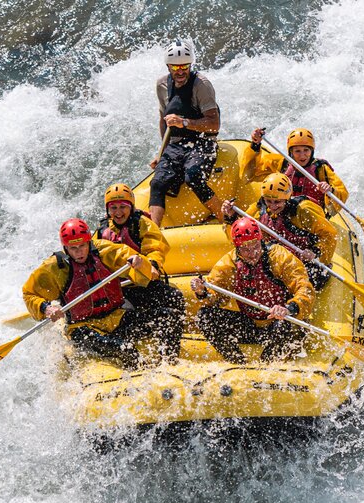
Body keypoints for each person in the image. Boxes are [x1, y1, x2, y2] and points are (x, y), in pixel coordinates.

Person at [23, 218, 183, 369]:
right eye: (74, 248)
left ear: (89, 242)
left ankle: (169, 364)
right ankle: (141, 375)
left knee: (168, 317)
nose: (79, 252)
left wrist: (139, 262)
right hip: (83, 329)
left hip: (117, 317)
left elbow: (133, 262)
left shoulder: (104, 251)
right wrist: (46, 308)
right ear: (65, 247)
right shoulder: (54, 268)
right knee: (123, 348)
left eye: (83, 246)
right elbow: (29, 293)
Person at [189, 217, 314, 364]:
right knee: (204, 316)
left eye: (255, 245)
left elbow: (305, 288)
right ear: (237, 248)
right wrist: (202, 291)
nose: (252, 253)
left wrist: (289, 308)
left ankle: (265, 367)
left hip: (280, 322)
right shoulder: (229, 263)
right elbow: (216, 298)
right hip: (251, 325)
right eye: (245, 249)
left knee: (284, 324)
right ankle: (238, 363)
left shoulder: (279, 256)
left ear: (261, 240)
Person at [148, 38, 224, 226]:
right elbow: (163, 120)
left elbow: (214, 124)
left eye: (185, 66)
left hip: (203, 140)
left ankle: (227, 218)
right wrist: (162, 153)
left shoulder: (202, 85)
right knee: (157, 183)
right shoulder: (162, 85)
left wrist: (184, 122)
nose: (180, 71)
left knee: (194, 176)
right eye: (175, 67)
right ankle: (152, 234)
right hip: (177, 144)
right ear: (168, 66)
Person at [222, 173, 337, 290]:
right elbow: (240, 237)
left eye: (277, 202)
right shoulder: (257, 211)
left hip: (306, 262)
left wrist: (316, 252)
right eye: (268, 201)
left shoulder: (304, 211)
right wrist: (230, 217)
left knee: (313, 279)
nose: (272, 206)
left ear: (287, 198)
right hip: (278, 263)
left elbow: (329, 235)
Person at [95, 183, 186, 315]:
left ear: (131, 207)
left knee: (174, 298)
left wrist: (152, 264)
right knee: (127, 314)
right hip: (120, 287)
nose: (118, 212)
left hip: (144, 281)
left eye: (123, 207)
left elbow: (155, 247)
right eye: (113, 208)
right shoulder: (102, 231)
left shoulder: (142, 223)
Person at [241, 127, 349, 218]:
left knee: (304, 205)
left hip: (310, 215)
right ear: (291, 152)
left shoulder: (321, 169)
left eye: (306, 150)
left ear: (312, 151)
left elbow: (342, 193)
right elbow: (251, 171)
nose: (302, 155)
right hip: (280, 210)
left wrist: (330, 190)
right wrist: (255, 144)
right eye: (297, 151)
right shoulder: (282, 163)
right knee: (261, 203)